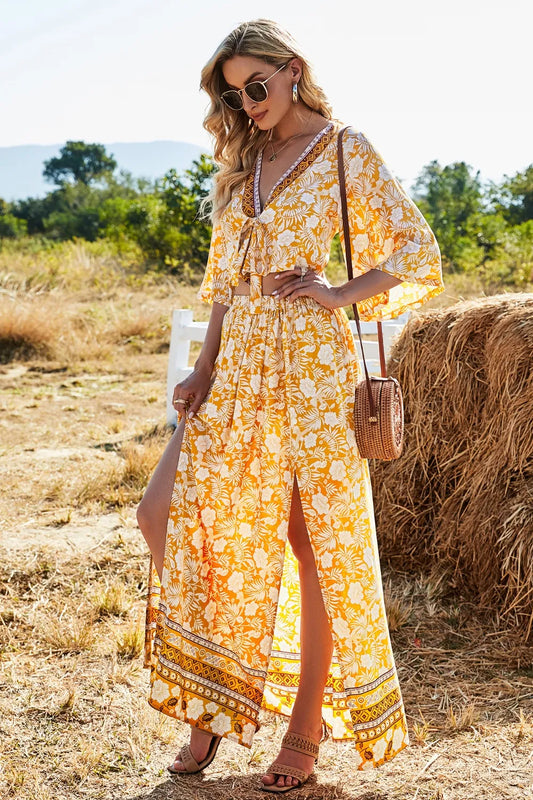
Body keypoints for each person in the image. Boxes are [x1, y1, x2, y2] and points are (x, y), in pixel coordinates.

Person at [137, 18, 443, 794]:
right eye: (233, 95)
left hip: (311, 370)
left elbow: (415, 251)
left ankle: (303, 730)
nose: (247, 103)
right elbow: (224, 285)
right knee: (166, 515)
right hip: (237, 369)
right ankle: (215, 696)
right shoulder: (244, 164)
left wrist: (338, 293)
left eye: (256, 85)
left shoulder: (344, 150)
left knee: (314, 548)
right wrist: (203, 367)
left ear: (291, 69)